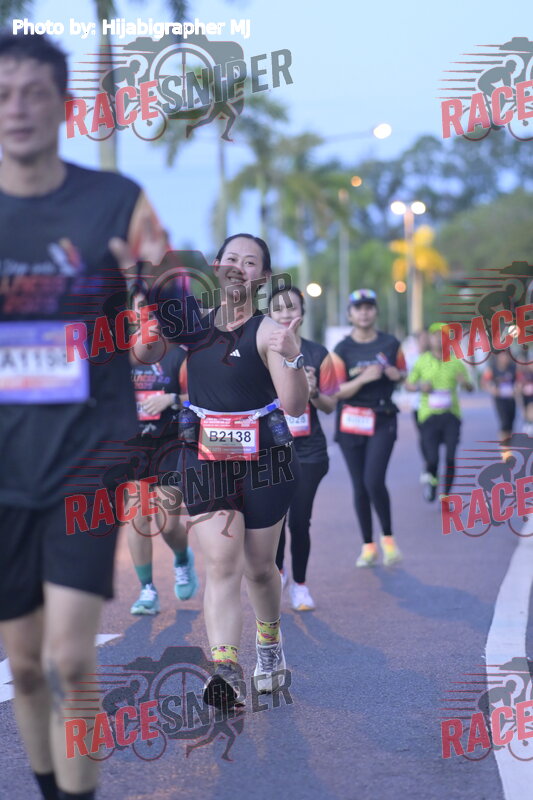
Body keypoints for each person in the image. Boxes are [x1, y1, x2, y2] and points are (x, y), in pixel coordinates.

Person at [0, 32, 163, 800]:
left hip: (86, 457)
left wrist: (156, 285)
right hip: (6, 467)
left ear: (64, 107)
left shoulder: (116, 201)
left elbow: (176, 305)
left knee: (70, 658)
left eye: (33, 92)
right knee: (25, 665)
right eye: (3, 94)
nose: (16, 108)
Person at [114, 232, 308, 709]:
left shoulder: (267, 331)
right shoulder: (192, 324)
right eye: (231, 258)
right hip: (205, 458)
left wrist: (292, 353)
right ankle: (225, 670)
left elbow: (294, 405)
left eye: (251, 262)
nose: (239, 267)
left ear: (263, 276)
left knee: (259, 568)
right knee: (222, 562)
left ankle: (269, 644)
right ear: (216, 267)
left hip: (267, 461)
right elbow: (144, 355)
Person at [268, 286, 338, 611]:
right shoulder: (262, 351)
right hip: (271, 449)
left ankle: (300, 585)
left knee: (299, 520)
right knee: (274, 521)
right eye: (278, 308)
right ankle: (278, 572)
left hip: (309, 451)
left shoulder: (318, 353)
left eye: (291, 307)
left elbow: (331, 405)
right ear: (269, 314)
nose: (285, 314)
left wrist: (313, 393)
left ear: (303, 312)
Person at [330, 289, 405, 568]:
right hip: (350, 420)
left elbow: (403, 374)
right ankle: (368, 546)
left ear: (376, 312)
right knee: (359, 485)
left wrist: (397, 375)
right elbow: (335, 390)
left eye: (369, 307)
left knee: (374, 479)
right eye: (358, 308)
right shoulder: (342, 349)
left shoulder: (390, 343)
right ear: (350, 314)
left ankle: (388, 540)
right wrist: (362, 379)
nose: (364, 312)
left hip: (382, 418)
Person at [126, 338, 199, 615]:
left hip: (170, 444)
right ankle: (147, 589)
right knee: (137, 518)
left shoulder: (179, 355)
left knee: (167, 524)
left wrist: (172, 399)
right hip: (134, 446)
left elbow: (204, 395)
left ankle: (182, 558)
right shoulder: (122, 354)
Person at [406, 322, 474, 502]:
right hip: (428, 416)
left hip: (451, 415)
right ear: (429, 338)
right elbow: (408, 384)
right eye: (435, 335)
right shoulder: (422, 361)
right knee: (433, 459)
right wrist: (420, 387)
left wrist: (464, 383)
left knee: (450, 458)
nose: (438, 339)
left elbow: (470, 388)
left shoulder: (456, 362)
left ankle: (446, 496)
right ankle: (433, 483)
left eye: (443, 335)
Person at [481, 351, 517, 446]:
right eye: (502, 356)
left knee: (510, 423)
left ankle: (508, 443)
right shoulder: (492, 369)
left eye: (506, 356)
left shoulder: (513, 368)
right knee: (504, 422)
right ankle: (505, 449)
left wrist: (517, 389)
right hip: (500, 399)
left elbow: (519, 380)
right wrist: (492, 389)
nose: (504, 359)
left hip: (511, 399)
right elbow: (484, 382)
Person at [516, 361, 533, 437]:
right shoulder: (523, 375)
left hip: (531, 397)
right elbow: (519, 385)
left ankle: (530, 424)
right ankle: (527, 423)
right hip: (524, 396)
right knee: (525, 412)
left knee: (531, 410)